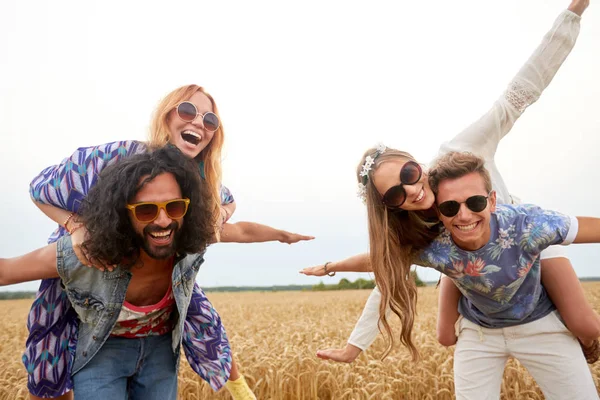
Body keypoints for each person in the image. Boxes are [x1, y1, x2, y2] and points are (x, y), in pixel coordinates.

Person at [300, 0, 600, 365]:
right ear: (388, 205)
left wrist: (573, 14)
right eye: (395, 194)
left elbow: (519, 94)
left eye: (409, 174)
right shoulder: (410, 228)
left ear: (414, 160)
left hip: (521, 245)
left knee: (586, 326)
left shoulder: (461, 152)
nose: (411, 190)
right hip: (466, 267)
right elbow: (386, 270)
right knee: (445, 336)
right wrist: (354, 346)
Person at [25, 84, 312, 400]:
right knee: (53, 353)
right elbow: (40, 186)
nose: (198, 123)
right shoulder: (119, 156)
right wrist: (74, 225)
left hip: (159, 284)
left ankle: (240, 390)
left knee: (203, 319)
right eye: (188, 111)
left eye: (210, 121)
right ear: (166, 115)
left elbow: (227, 205)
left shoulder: (198, 179)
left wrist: (238, 217)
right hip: (90, 275)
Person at [2, 146, 224, 399]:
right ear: (122, 213)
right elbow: (5, 272)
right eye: (146, 210)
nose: (163, 221)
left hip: (160, 354)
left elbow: (233, 218)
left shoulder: (185, 247)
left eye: (174, 207)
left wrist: (280, 235)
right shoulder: (86, 253)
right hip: (101, 353)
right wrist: (72, 224)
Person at [419, 151, 598, 399]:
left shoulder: (529, 224)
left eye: (475, 203)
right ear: (438, 211)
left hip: (536, 312)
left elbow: (589, 229)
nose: (463, 214)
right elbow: (381, 259)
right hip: (480, 328)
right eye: (450, 207)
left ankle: (588, 343)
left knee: (586, 326)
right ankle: (450, 272)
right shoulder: (436, 243)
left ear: (492, 201)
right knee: (445, 336)